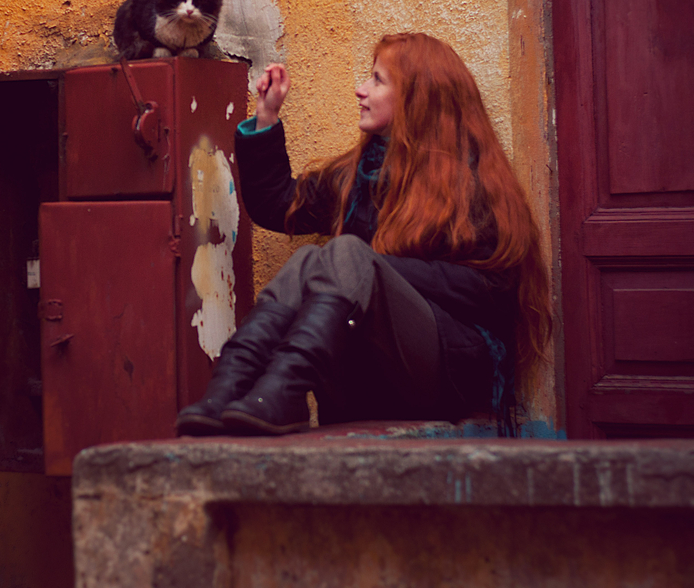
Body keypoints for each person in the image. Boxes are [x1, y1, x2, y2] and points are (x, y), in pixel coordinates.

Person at [176, 32, 551, 436]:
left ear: (415, 98)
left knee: (347, 254)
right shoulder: (357, 175)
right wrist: (266, 117)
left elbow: (493, 290)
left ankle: (284, 389)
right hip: (368, 373)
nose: (360, 89)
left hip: (448, 373)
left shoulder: (473, 185)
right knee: (310, 258)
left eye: (377, 80)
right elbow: (278, 205)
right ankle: (231, 385)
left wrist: (374, 269)